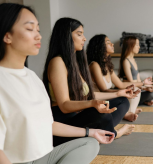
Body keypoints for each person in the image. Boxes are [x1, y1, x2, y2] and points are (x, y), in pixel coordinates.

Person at [0, 3, 114, 164]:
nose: (38, 36)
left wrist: (90, 132)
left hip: (43, 156)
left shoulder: (32, 77)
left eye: (38, 30)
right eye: (30, 29)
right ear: (7, 36)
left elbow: (49, 125)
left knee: (90, 143)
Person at [42, 18, 136, 146]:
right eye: (79, 34)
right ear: (66, 36)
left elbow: (91, 95)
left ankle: (103, 131)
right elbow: (64, 105)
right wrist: (92, 104)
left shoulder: (76, 62)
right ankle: (114, 133)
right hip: (64, 121)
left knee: (122, 101)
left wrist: (118, 93)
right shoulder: (58, 62)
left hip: (78, 114)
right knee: (101, 115)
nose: (84, 38)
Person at [87, 34, 153, 121]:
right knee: (125, 98)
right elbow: (103, 90)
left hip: (108, 97)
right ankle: (127, 113)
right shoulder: (95, 65)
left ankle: (128, 112)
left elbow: (121, 84)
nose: (112, 44)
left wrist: (143, 83)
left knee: (135, 91)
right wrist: (122, 92)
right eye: (108, 43)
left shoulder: (107, 65)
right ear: (99, 46)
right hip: (99, 100)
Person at [119, 36, 153, 106]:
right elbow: (131, 83)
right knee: (151, 94)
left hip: (138, 88)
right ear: (131, 46)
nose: (139, 47)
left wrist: (150, 86)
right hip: (132, 90)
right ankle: (143, 101)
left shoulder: (133, 60)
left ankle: (144, 101)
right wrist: (145, 88)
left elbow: (139, 81)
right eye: (137, 45)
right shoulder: (126, 61)